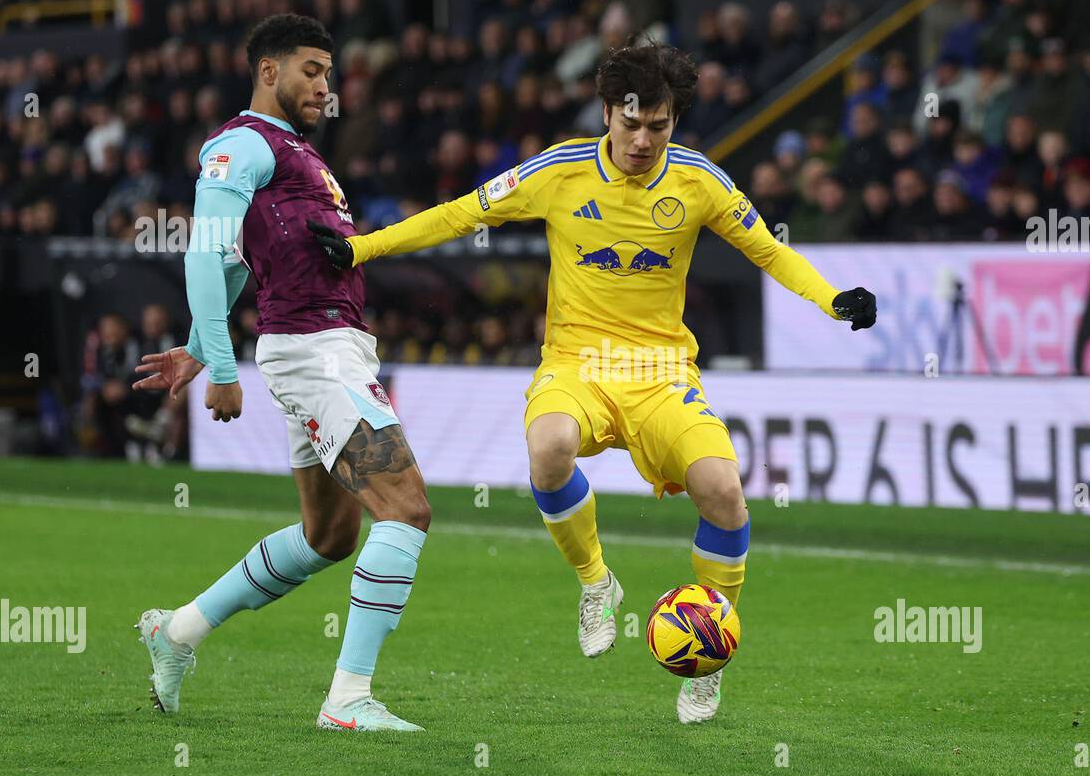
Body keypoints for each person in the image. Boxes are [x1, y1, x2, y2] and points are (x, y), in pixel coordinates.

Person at [308, 39, 877, 724]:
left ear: (674, 121)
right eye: (630, 123)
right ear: (607, 112)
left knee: (724, 493)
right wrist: (362, 248)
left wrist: (832, 299)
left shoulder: (699, 181)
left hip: (662, 372)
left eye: (658, 126)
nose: (642, 140)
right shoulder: (559, 170)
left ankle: (709, 656)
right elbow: (461, 213)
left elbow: (770, 252)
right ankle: (596, 582)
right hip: (576, 363)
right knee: (548, 448)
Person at [132, 15, 433, 732]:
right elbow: (204, 252)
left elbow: (243, 263)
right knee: (406, 506)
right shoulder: (240, 144)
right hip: (313, 350)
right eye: (311, 70)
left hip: (329, 345)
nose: (325, 86)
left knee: (330, 536)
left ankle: (177, 631)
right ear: (268, 71)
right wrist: (220, 364)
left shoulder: (296, 153)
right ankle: (348, 700)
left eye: (329, 73)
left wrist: (195, 348)